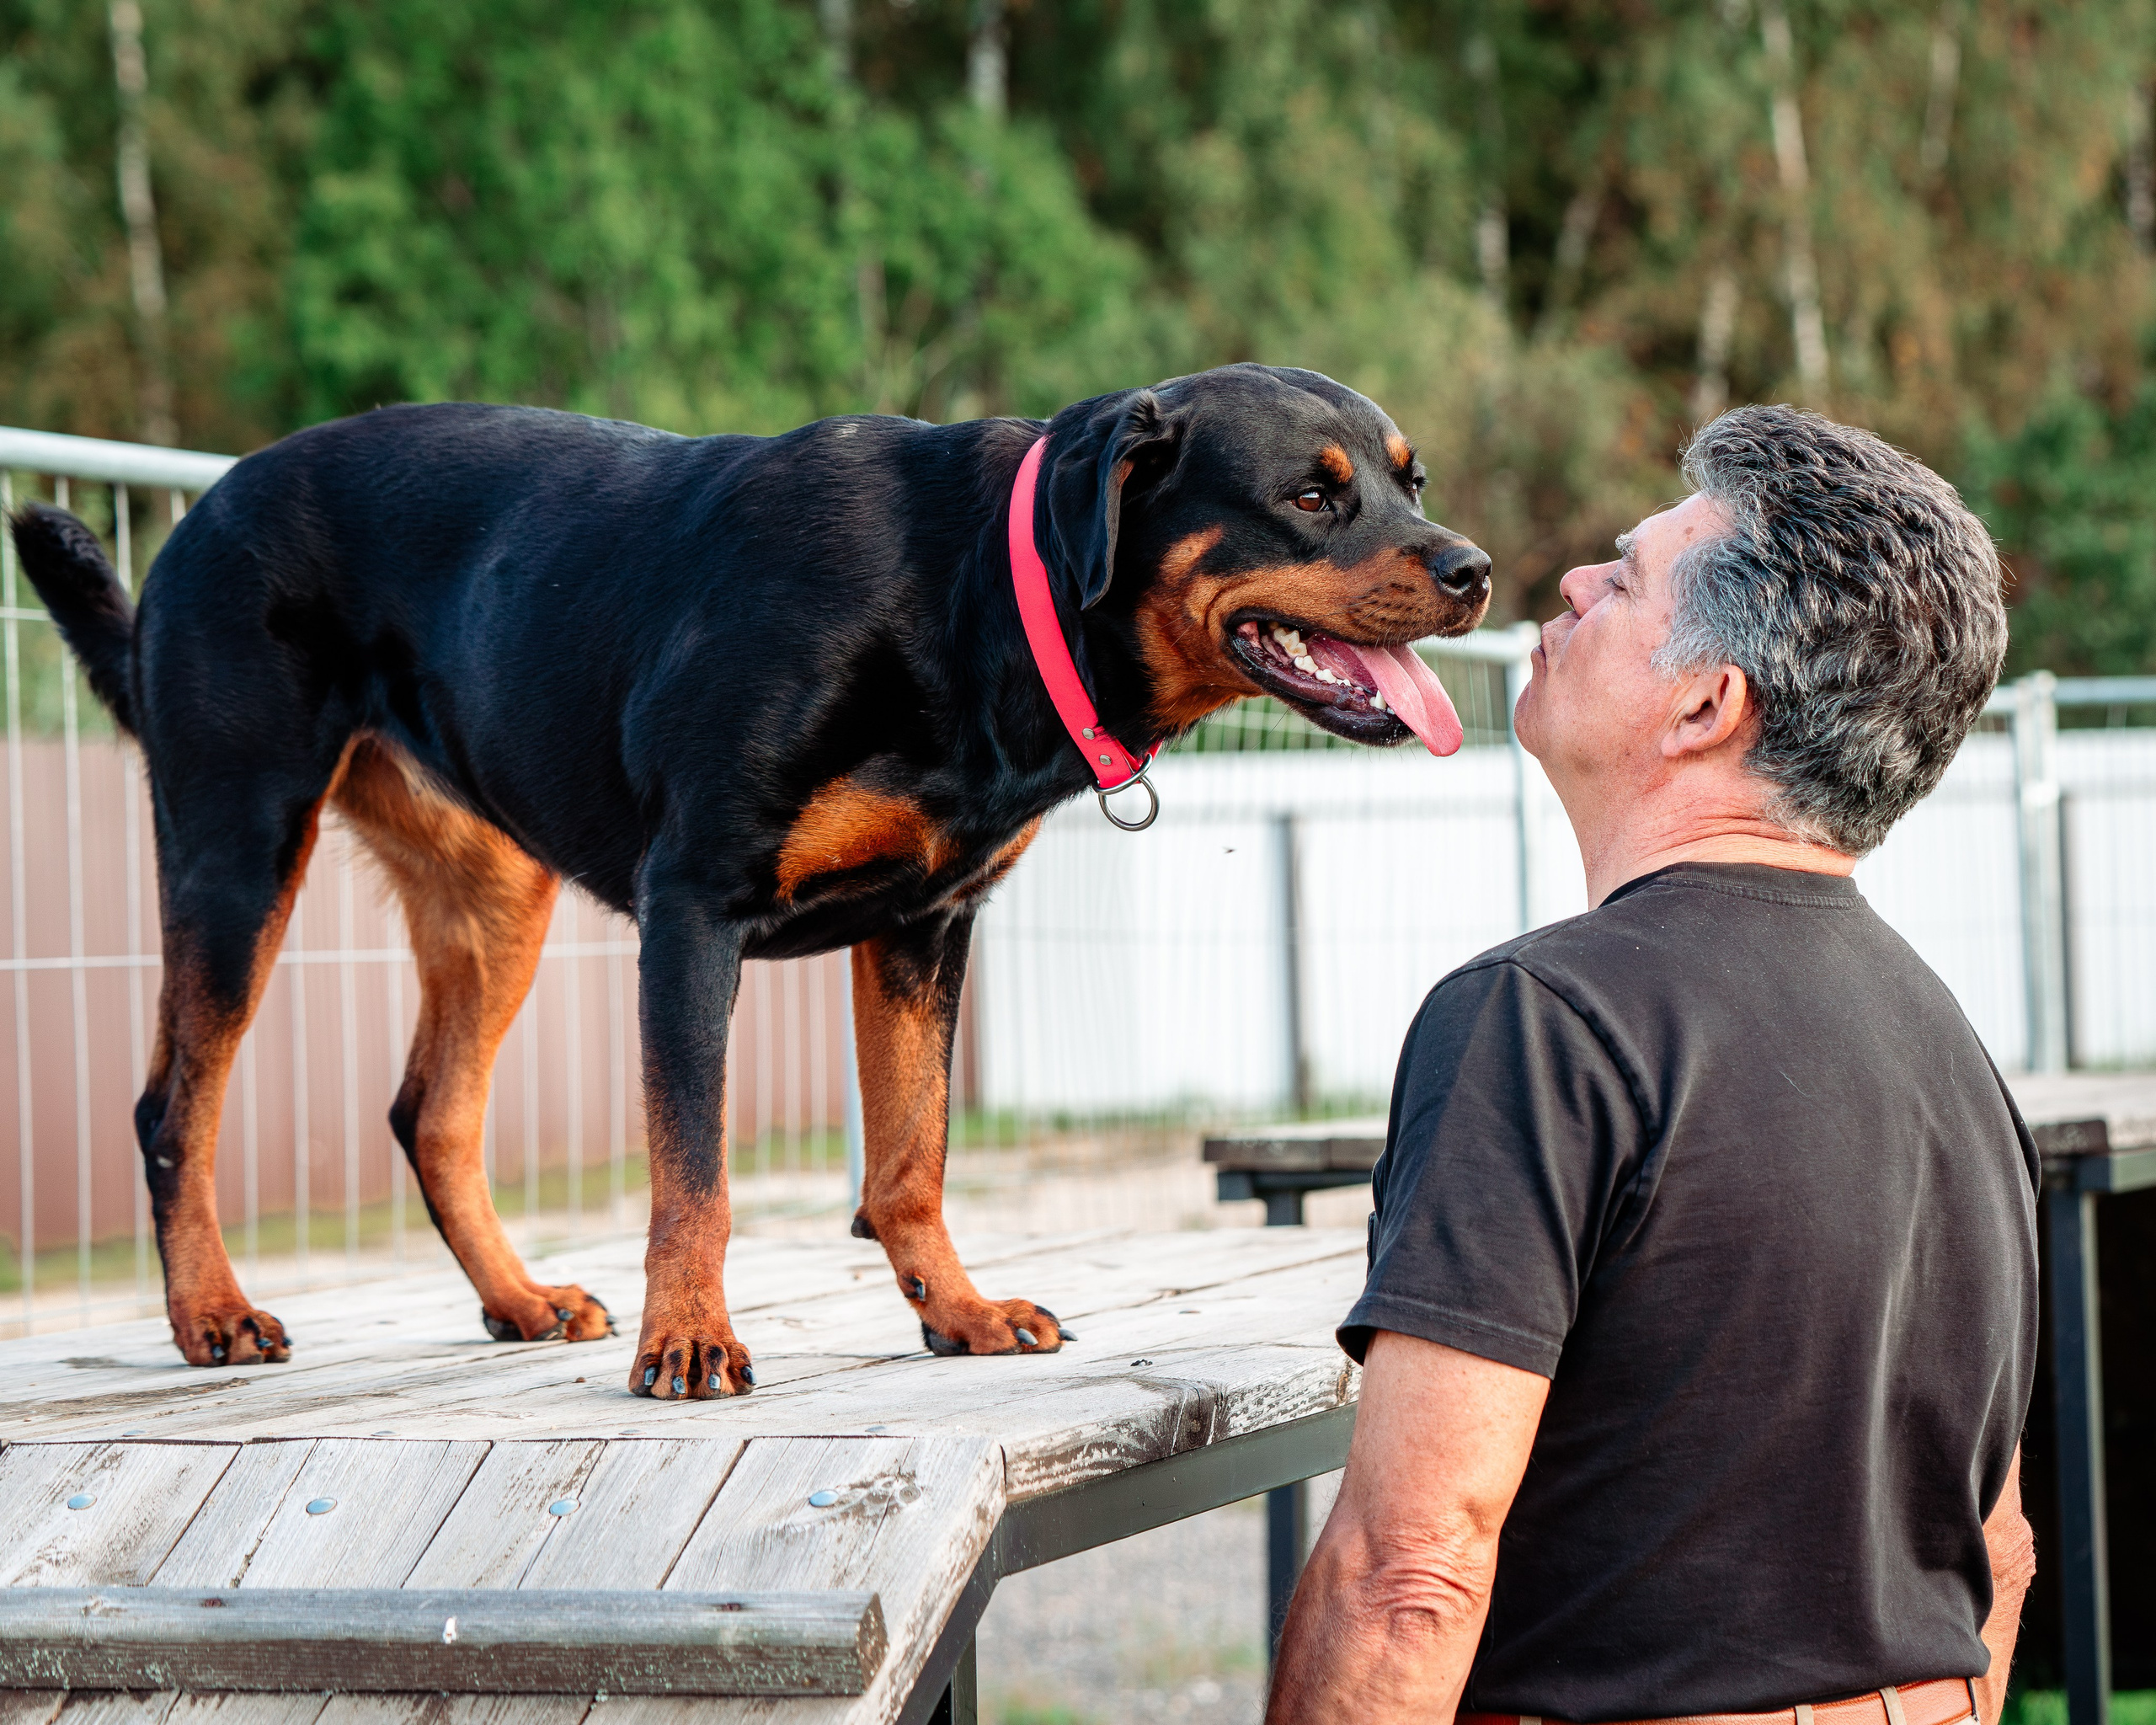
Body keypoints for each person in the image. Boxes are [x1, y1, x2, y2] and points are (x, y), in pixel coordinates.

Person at [1266, 406, 2040, 1725]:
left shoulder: (1541, 1021)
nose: (1569, 582)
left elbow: (1412, 1577)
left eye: (1624, 576)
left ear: (1703, 704)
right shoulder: (1954, 1050)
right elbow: (1999, 1556)